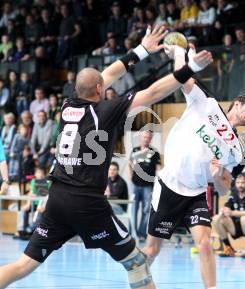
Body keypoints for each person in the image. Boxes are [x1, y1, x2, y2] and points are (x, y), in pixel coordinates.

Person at [0, 25, 213, 289]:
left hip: (57, 200)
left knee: (23, 265)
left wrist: (142, 50)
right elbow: (155, 92)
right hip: (87, 203)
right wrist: (188, 67)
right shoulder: (106, 110)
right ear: (100, 89)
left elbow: (104, 76)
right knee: (136, 263)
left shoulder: (67, 107)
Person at [143, 44, 245, 289]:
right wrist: (179, 56)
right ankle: (136, 279)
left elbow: (225, 188)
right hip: (169, 186)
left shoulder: (238, 151)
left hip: (195, 194)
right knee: (152, 249)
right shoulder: (207, 105)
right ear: (237, 104)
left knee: (205, 244)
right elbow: (183, 79)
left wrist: (217, 178)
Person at [212, 173, 245, 258]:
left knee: (244, 219)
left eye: (242, 183)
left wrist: (233, 213)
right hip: (235, 226)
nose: (240, 185)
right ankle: (229, 248)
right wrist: (223, 211)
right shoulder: (234, 192)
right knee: (216, 218)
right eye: (238, 182)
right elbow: (227, 205)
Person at [128, 130, 161, 242]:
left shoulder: (155, 152)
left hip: (148, 186)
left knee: (146, 210)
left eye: (148, 137)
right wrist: (130, 177)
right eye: (144, 137)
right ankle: (132, 233)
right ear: (141, 138)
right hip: (135, 185)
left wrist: (158, 181)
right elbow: (129, 164)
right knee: (133, 209)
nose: (146, 139)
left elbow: (158, 168)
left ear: (150, 139)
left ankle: (142, 233)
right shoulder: (135, 150)